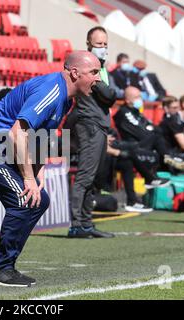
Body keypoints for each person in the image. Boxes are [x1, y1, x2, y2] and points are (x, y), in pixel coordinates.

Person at [0, 51, 101, 287]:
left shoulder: (66, 99)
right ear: (75, 73)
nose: (99, 79)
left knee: (39, 200)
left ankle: (6, 267)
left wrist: (39, 168)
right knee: (24, 200)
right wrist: (28, 178)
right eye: (94, 72)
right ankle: (1, 271)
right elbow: (18, 133)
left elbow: (40, 135)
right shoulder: (52, 89)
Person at [67, 26, 117, 239]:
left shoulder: (102, 68)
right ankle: (77, 224)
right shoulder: (89, 67)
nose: (103, 48)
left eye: (105, 44)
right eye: (98, 44)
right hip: (89, 124)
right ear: (88, 44)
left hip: (98, 125)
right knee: (85, 176)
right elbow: (109, 95)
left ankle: (86, 223)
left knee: (93, 177)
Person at [159, 95, 184, 171]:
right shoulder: (173, 120)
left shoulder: (183, 120)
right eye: (174, 108)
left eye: (177, 107)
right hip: (170, 156)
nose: (177, 110)